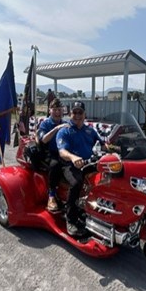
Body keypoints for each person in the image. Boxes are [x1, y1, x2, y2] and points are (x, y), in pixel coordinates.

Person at [57, 101, 104, 236]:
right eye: (75, 112)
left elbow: (102, 144)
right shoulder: (64, 130)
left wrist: (113, 148)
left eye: (80, 112)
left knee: (108, 177)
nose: (77, 115)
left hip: (88, 163)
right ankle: (70, 219)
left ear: (85, 114)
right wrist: (72, 157)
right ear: (70, 114)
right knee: (77, 183)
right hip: (70, 165)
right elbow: (62, 152)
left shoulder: (90, 130)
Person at [36, 98, 68, 211]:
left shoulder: (66, 123)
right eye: (55, 110)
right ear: (50, 110)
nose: (58, 112)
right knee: (56, 165)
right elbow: (43, 139)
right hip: (49, 152)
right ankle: (52, 196)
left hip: (64, 151)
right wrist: (56, 128)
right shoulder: (45, 124)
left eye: (59, 109)